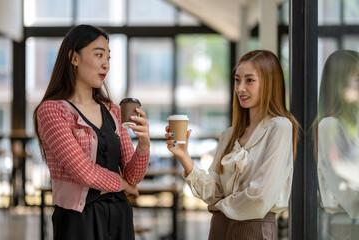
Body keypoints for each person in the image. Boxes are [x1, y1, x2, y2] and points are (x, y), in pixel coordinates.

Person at [33, 24, 150, 240]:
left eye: (108, 58)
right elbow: (83, 171)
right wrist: (122, 185)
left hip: (120, 217)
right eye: (99, 55)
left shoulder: (113, 111)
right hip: (79, 221)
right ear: (74, 58)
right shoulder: (51, 111)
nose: (106, 64)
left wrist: (144, 145)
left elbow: (133, 175)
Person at [165, 50, 299, 239]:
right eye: (237, 80)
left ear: (269, 83)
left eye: (249, 80)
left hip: (255, 229)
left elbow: (260, 196)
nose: (240, 88)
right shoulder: (229, 135)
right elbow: (213, 191)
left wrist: (220, 206)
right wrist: (183, 156)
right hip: (219, 227)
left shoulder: (280, 127)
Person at [315, 50, 359, 238]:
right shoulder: (330, 126)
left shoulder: (351, 124)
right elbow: (347, 189)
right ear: (339, 84)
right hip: (346, 225)